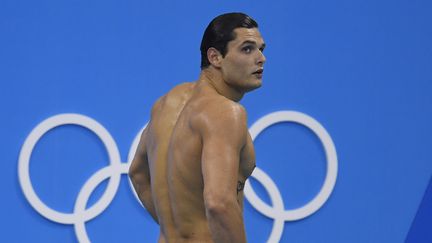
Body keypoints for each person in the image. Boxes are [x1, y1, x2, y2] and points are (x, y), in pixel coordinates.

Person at [129, 12, 266, 243]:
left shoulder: (166, 103)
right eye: (247, 49)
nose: (261, 58)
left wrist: (177, 228)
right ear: (215, 57)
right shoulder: (225, 113)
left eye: (262, 49)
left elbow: (138, 174)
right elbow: (218, 203)